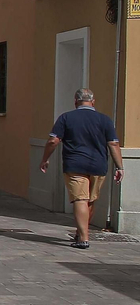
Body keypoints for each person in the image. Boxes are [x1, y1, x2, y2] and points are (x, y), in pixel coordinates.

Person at [39, 87, 123, 249]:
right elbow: (113, 143)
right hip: (98, 165)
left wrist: (45, 159)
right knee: (90, 200)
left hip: (75, 164)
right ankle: (81, 232)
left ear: (75, 101)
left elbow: (53, 141)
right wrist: (120, 167)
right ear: (93, 101)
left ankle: (83, 238)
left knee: (80, 199)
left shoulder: (66, 118)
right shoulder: (105, 120)